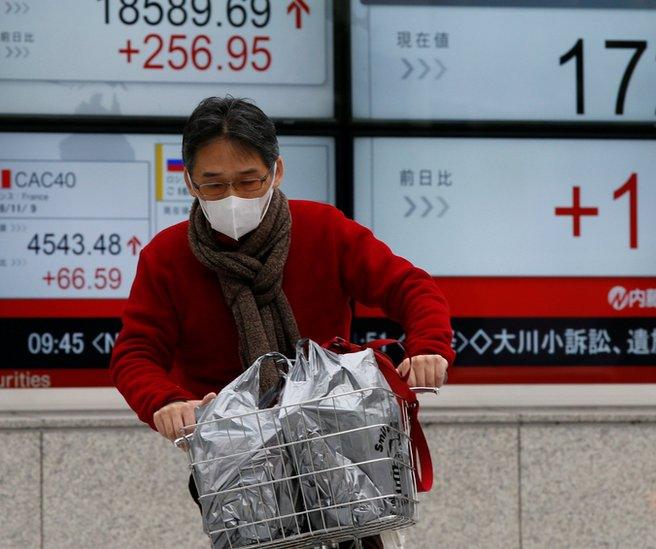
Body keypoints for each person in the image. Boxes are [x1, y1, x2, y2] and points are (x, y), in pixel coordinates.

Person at [109, 96, 453, 547]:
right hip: (236, 459)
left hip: (341, 442)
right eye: (213, 185)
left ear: (277, 172)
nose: (232, 198)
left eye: (249, 181)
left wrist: (428, 346)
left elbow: (410, 286)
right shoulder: (167, 258)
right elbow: (135, 353)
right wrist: (167, 402)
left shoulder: (324, 229)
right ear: (189, 181)